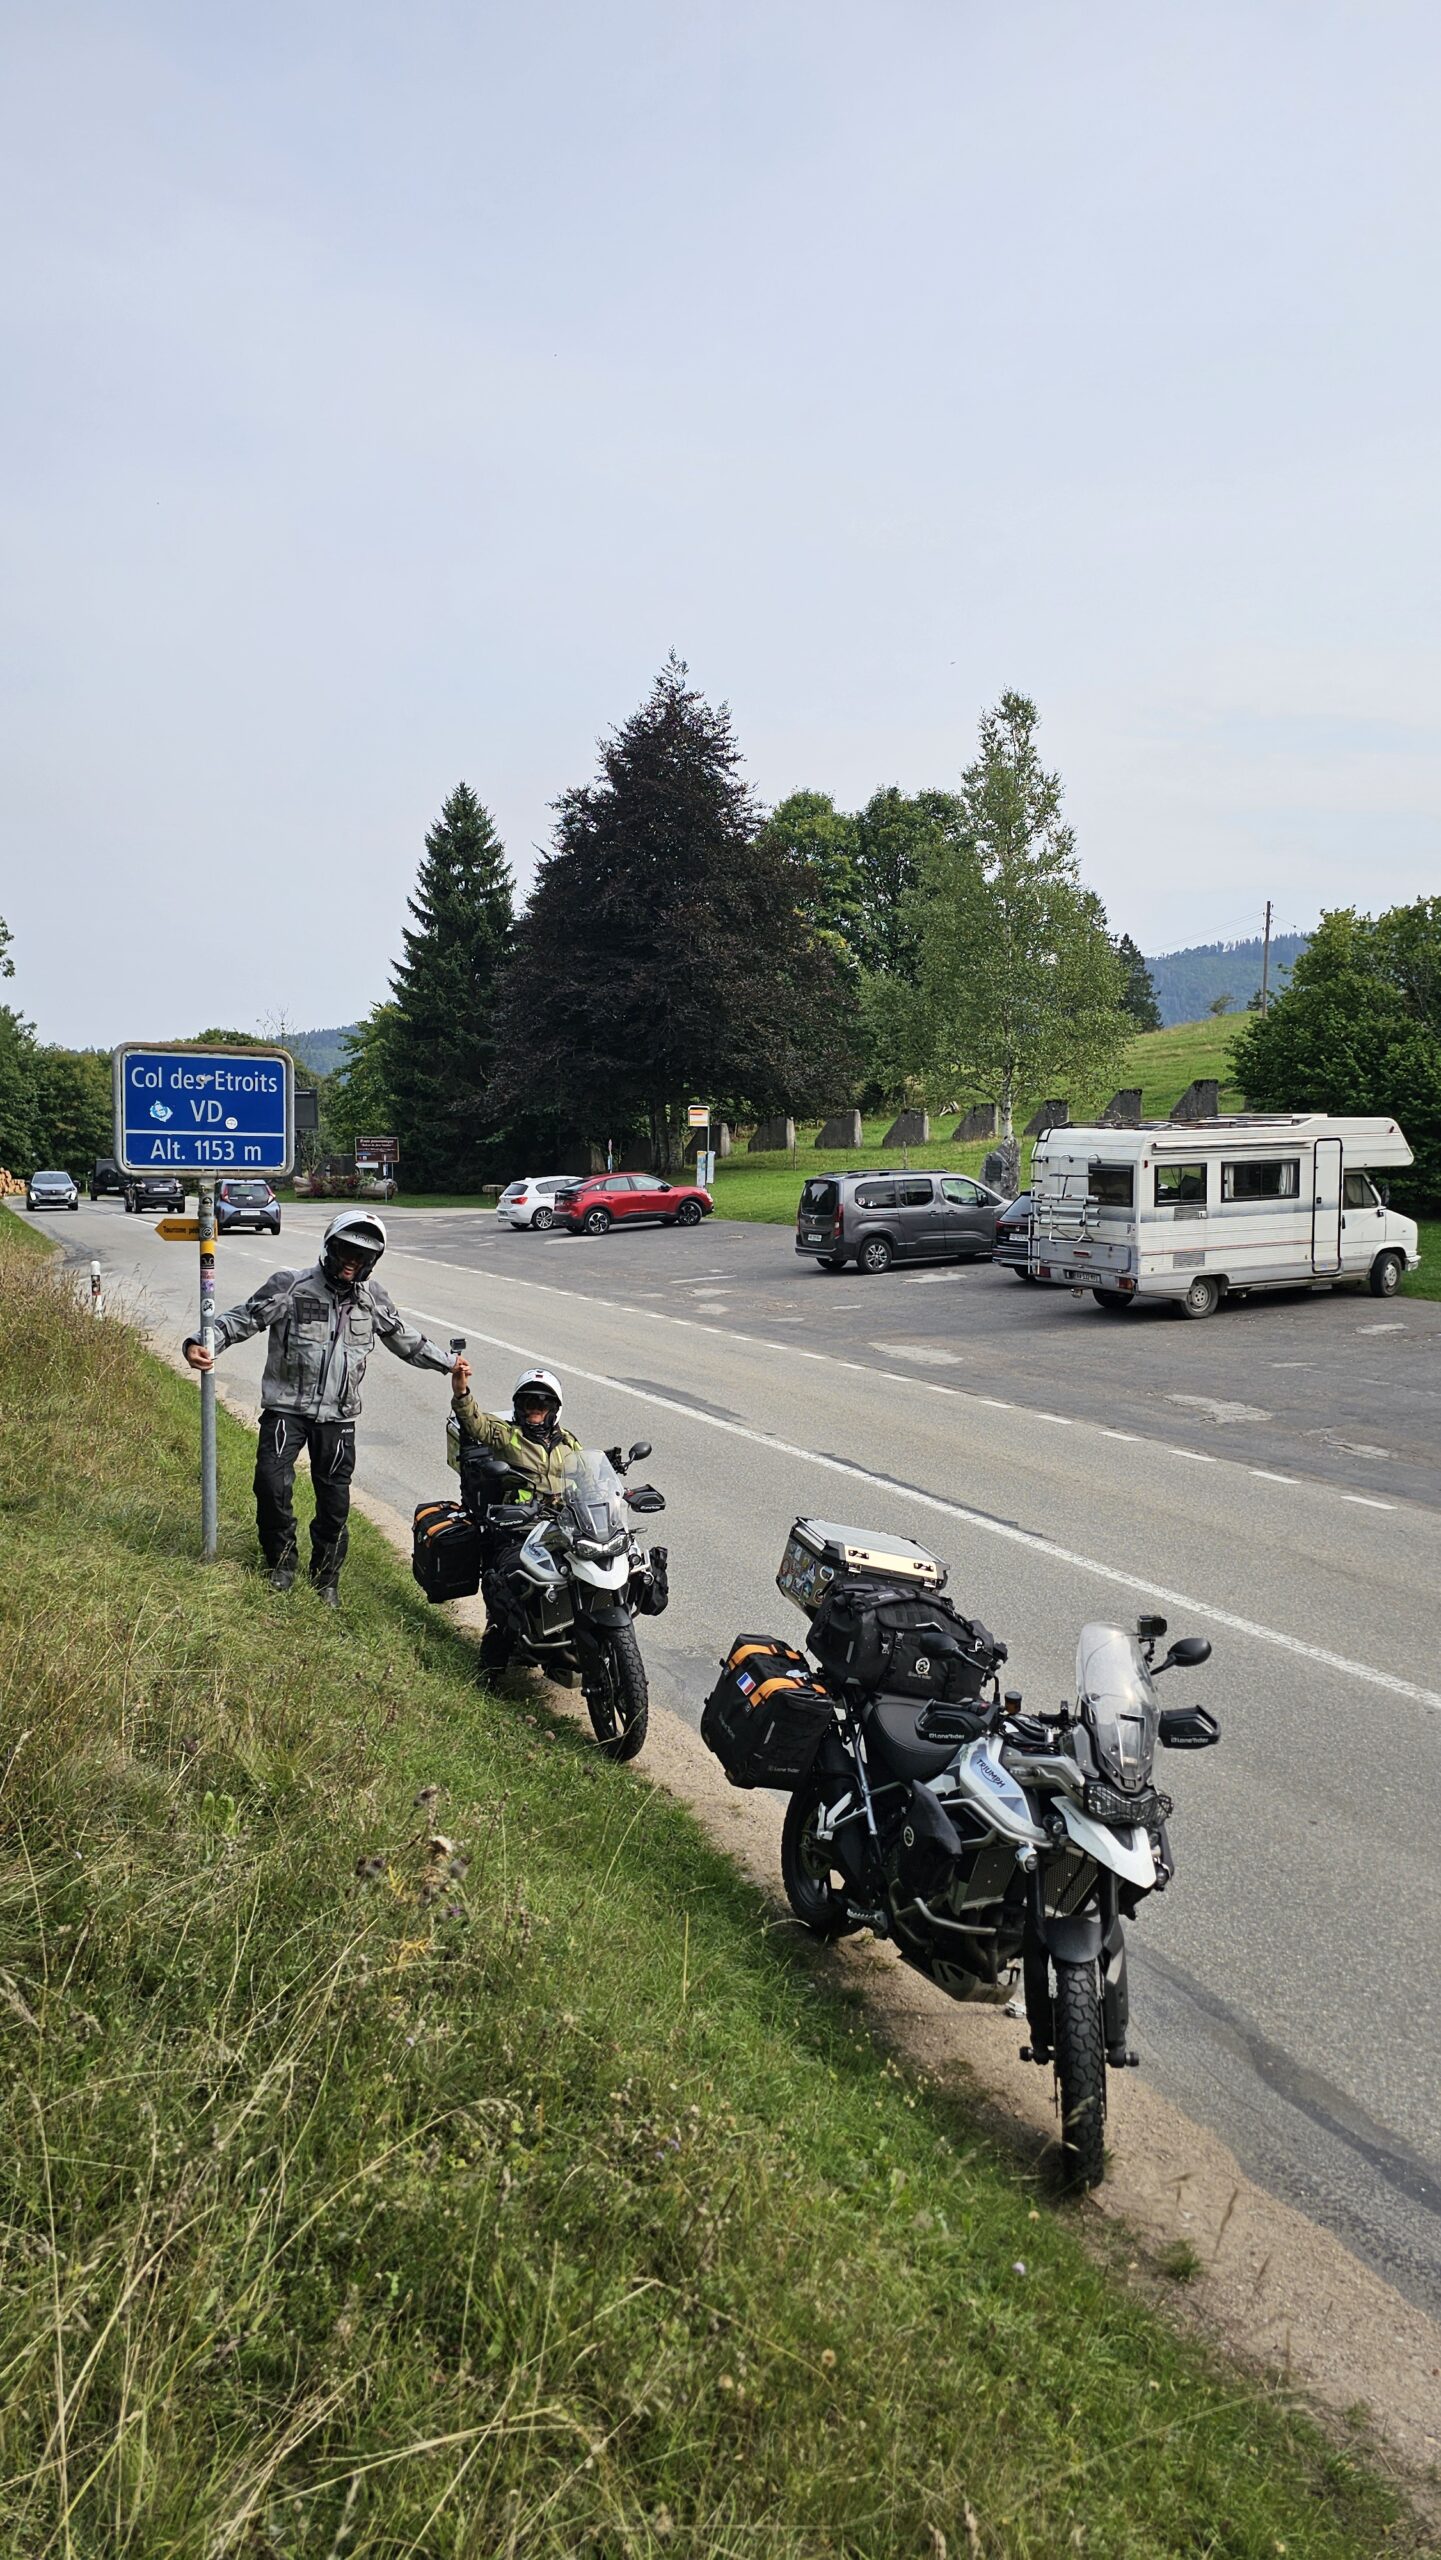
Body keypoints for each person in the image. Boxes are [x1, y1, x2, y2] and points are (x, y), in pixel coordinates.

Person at [183, 1208, 457, 1602]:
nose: (352, 1261)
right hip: (286, 1410)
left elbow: (405, 1340)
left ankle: (326, 1579)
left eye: (362, 1257)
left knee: (334, 1504)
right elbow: (241, 1319)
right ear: (330, 1247)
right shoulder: (290, 1286)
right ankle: (280, 1563)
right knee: (271, 1486)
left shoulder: (372, 1298)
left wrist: (448, 1364)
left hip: (339, 1418)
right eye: (346, 1250)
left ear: (371, 1262)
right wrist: (199, 1342)